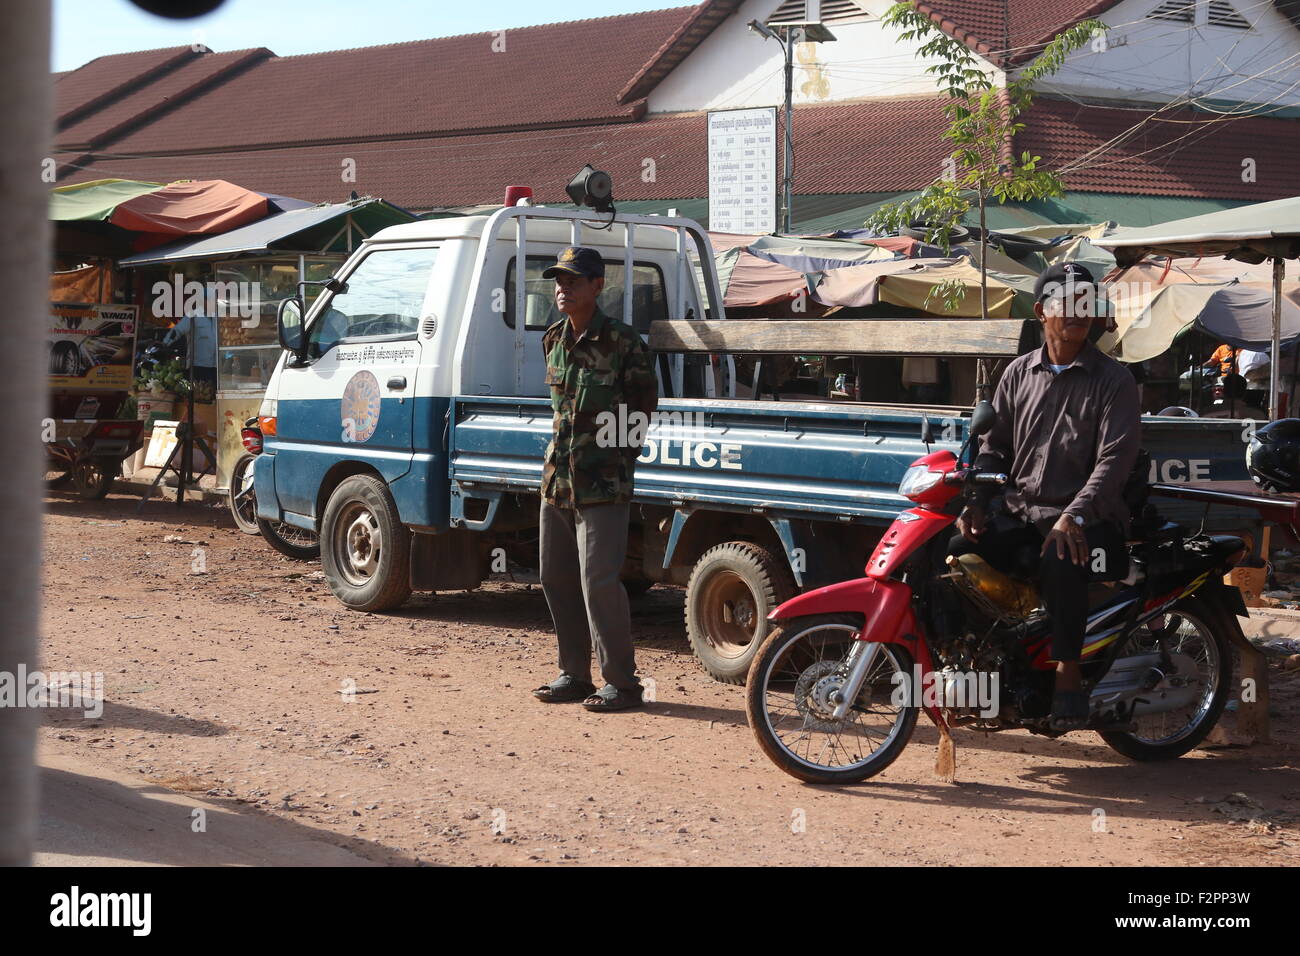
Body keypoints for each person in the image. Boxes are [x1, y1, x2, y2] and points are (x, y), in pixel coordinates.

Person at [952, 262, 1141, 730]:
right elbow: (995, 447)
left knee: (1061, 556)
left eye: (1086, 303)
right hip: (1022, 513)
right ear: (1041, 311)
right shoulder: (1017, 373)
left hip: (1087, 519)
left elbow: (1114, 461)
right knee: (953, 550)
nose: (1078, 312)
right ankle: (981, 664)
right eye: (1067, 303)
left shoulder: (1114, 380)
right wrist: (977, 501)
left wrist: (1074, 515)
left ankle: (1067, 675)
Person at [531, 247, 659, 712]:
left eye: (574, 280)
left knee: (599, 582)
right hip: (557, 481)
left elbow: (642, 408)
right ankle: (573, 674)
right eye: (558, 281)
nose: (563, 288)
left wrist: (616, 461)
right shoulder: (553, 339)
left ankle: (622, 684)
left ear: (598, 286)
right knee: (556, 577)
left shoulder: (623, 342)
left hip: (603, 483)